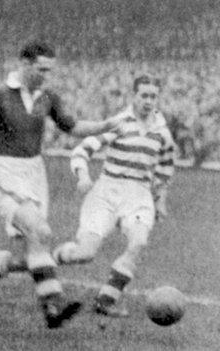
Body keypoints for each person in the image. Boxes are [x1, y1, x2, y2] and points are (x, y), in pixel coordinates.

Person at [0, 41, 127, 328]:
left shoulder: (48, 97)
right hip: (3, 172)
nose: (45, 75)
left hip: (34, 174)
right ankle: (53, 305)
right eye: (41, 69)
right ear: (24, 63)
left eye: (49, 71)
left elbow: (72, 127)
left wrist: (106, 125)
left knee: (26, 256)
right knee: (39, 231)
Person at [52, 74, 175, 317]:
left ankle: (106, 300)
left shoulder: (162, 132)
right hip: (107, 191)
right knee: (85, 253)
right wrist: (84, 176)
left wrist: (160, 198)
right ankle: (49, 260)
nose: (148, 101)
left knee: (138, 243)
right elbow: (82, 150)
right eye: (144, 96)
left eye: (153, 96)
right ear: (133, 96)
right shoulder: (118, 123)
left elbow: (165, 168)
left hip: (139, 195)